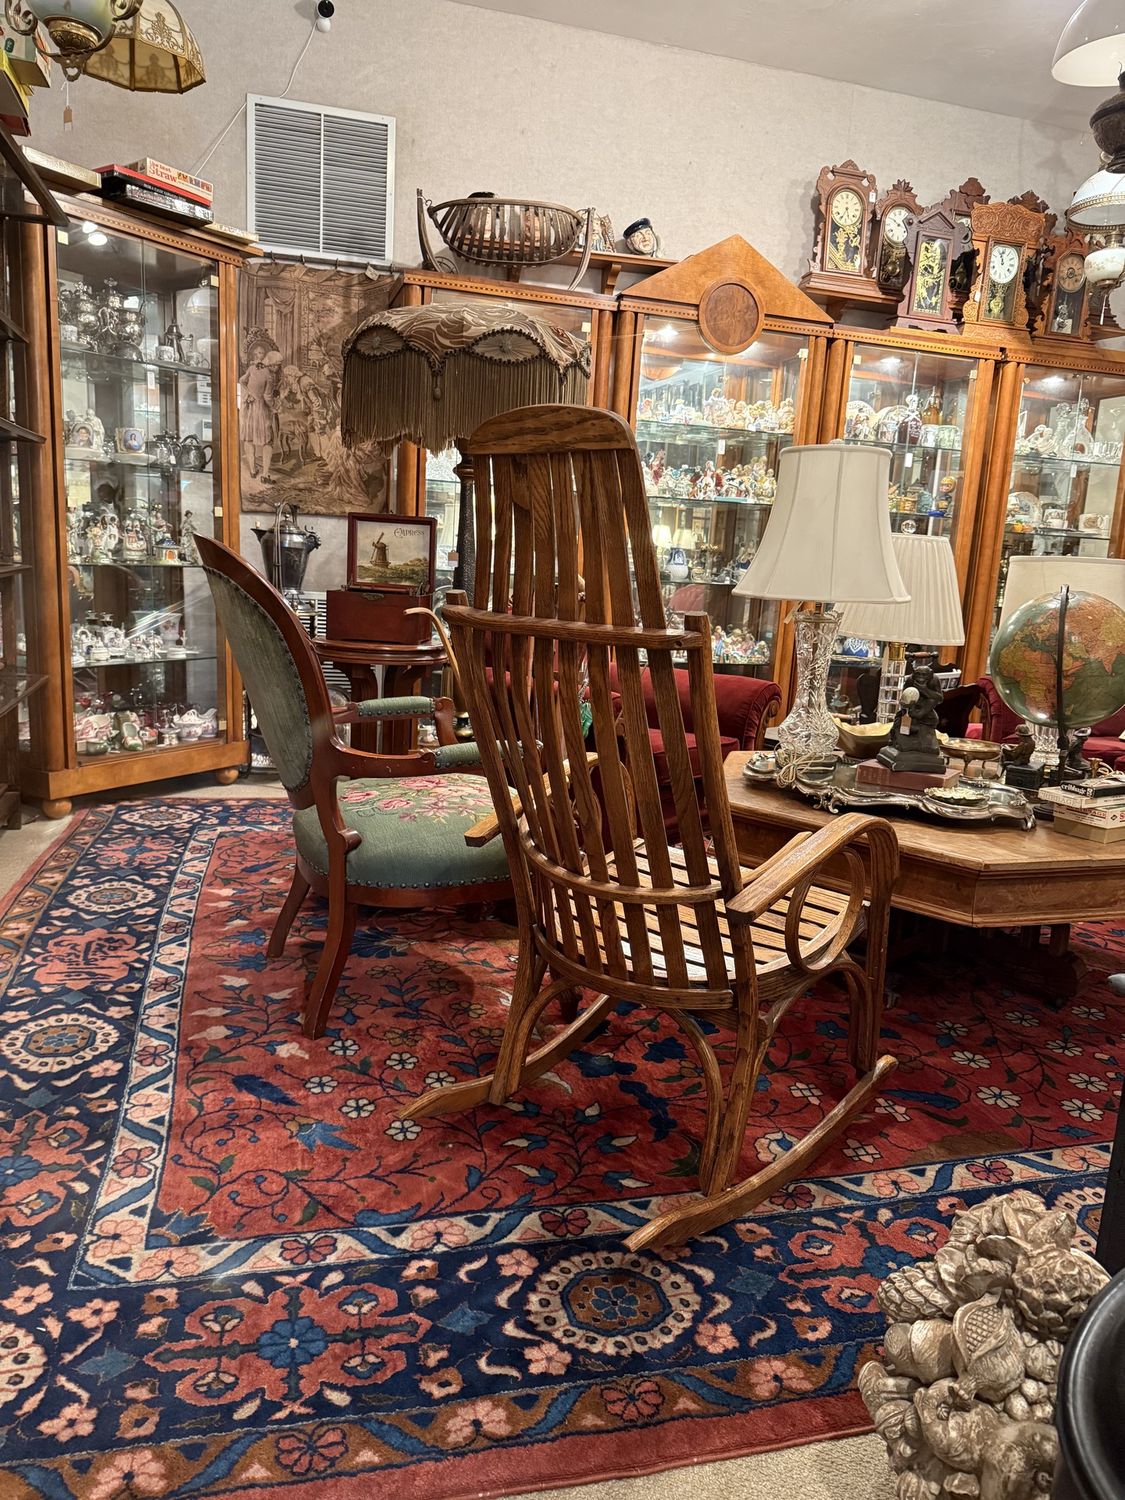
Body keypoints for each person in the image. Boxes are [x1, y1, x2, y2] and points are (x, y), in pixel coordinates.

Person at [239, 334, 280, 486]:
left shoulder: (251, 368)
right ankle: (265, 474)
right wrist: (275, 407)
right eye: (277, 365)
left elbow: (241, 381)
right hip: (261, 410)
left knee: (249, 439)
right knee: (267, 441)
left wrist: (248, 394)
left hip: (250, 409)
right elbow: (268, 397)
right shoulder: (269, 376)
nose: (277, 368)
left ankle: (252, 470)